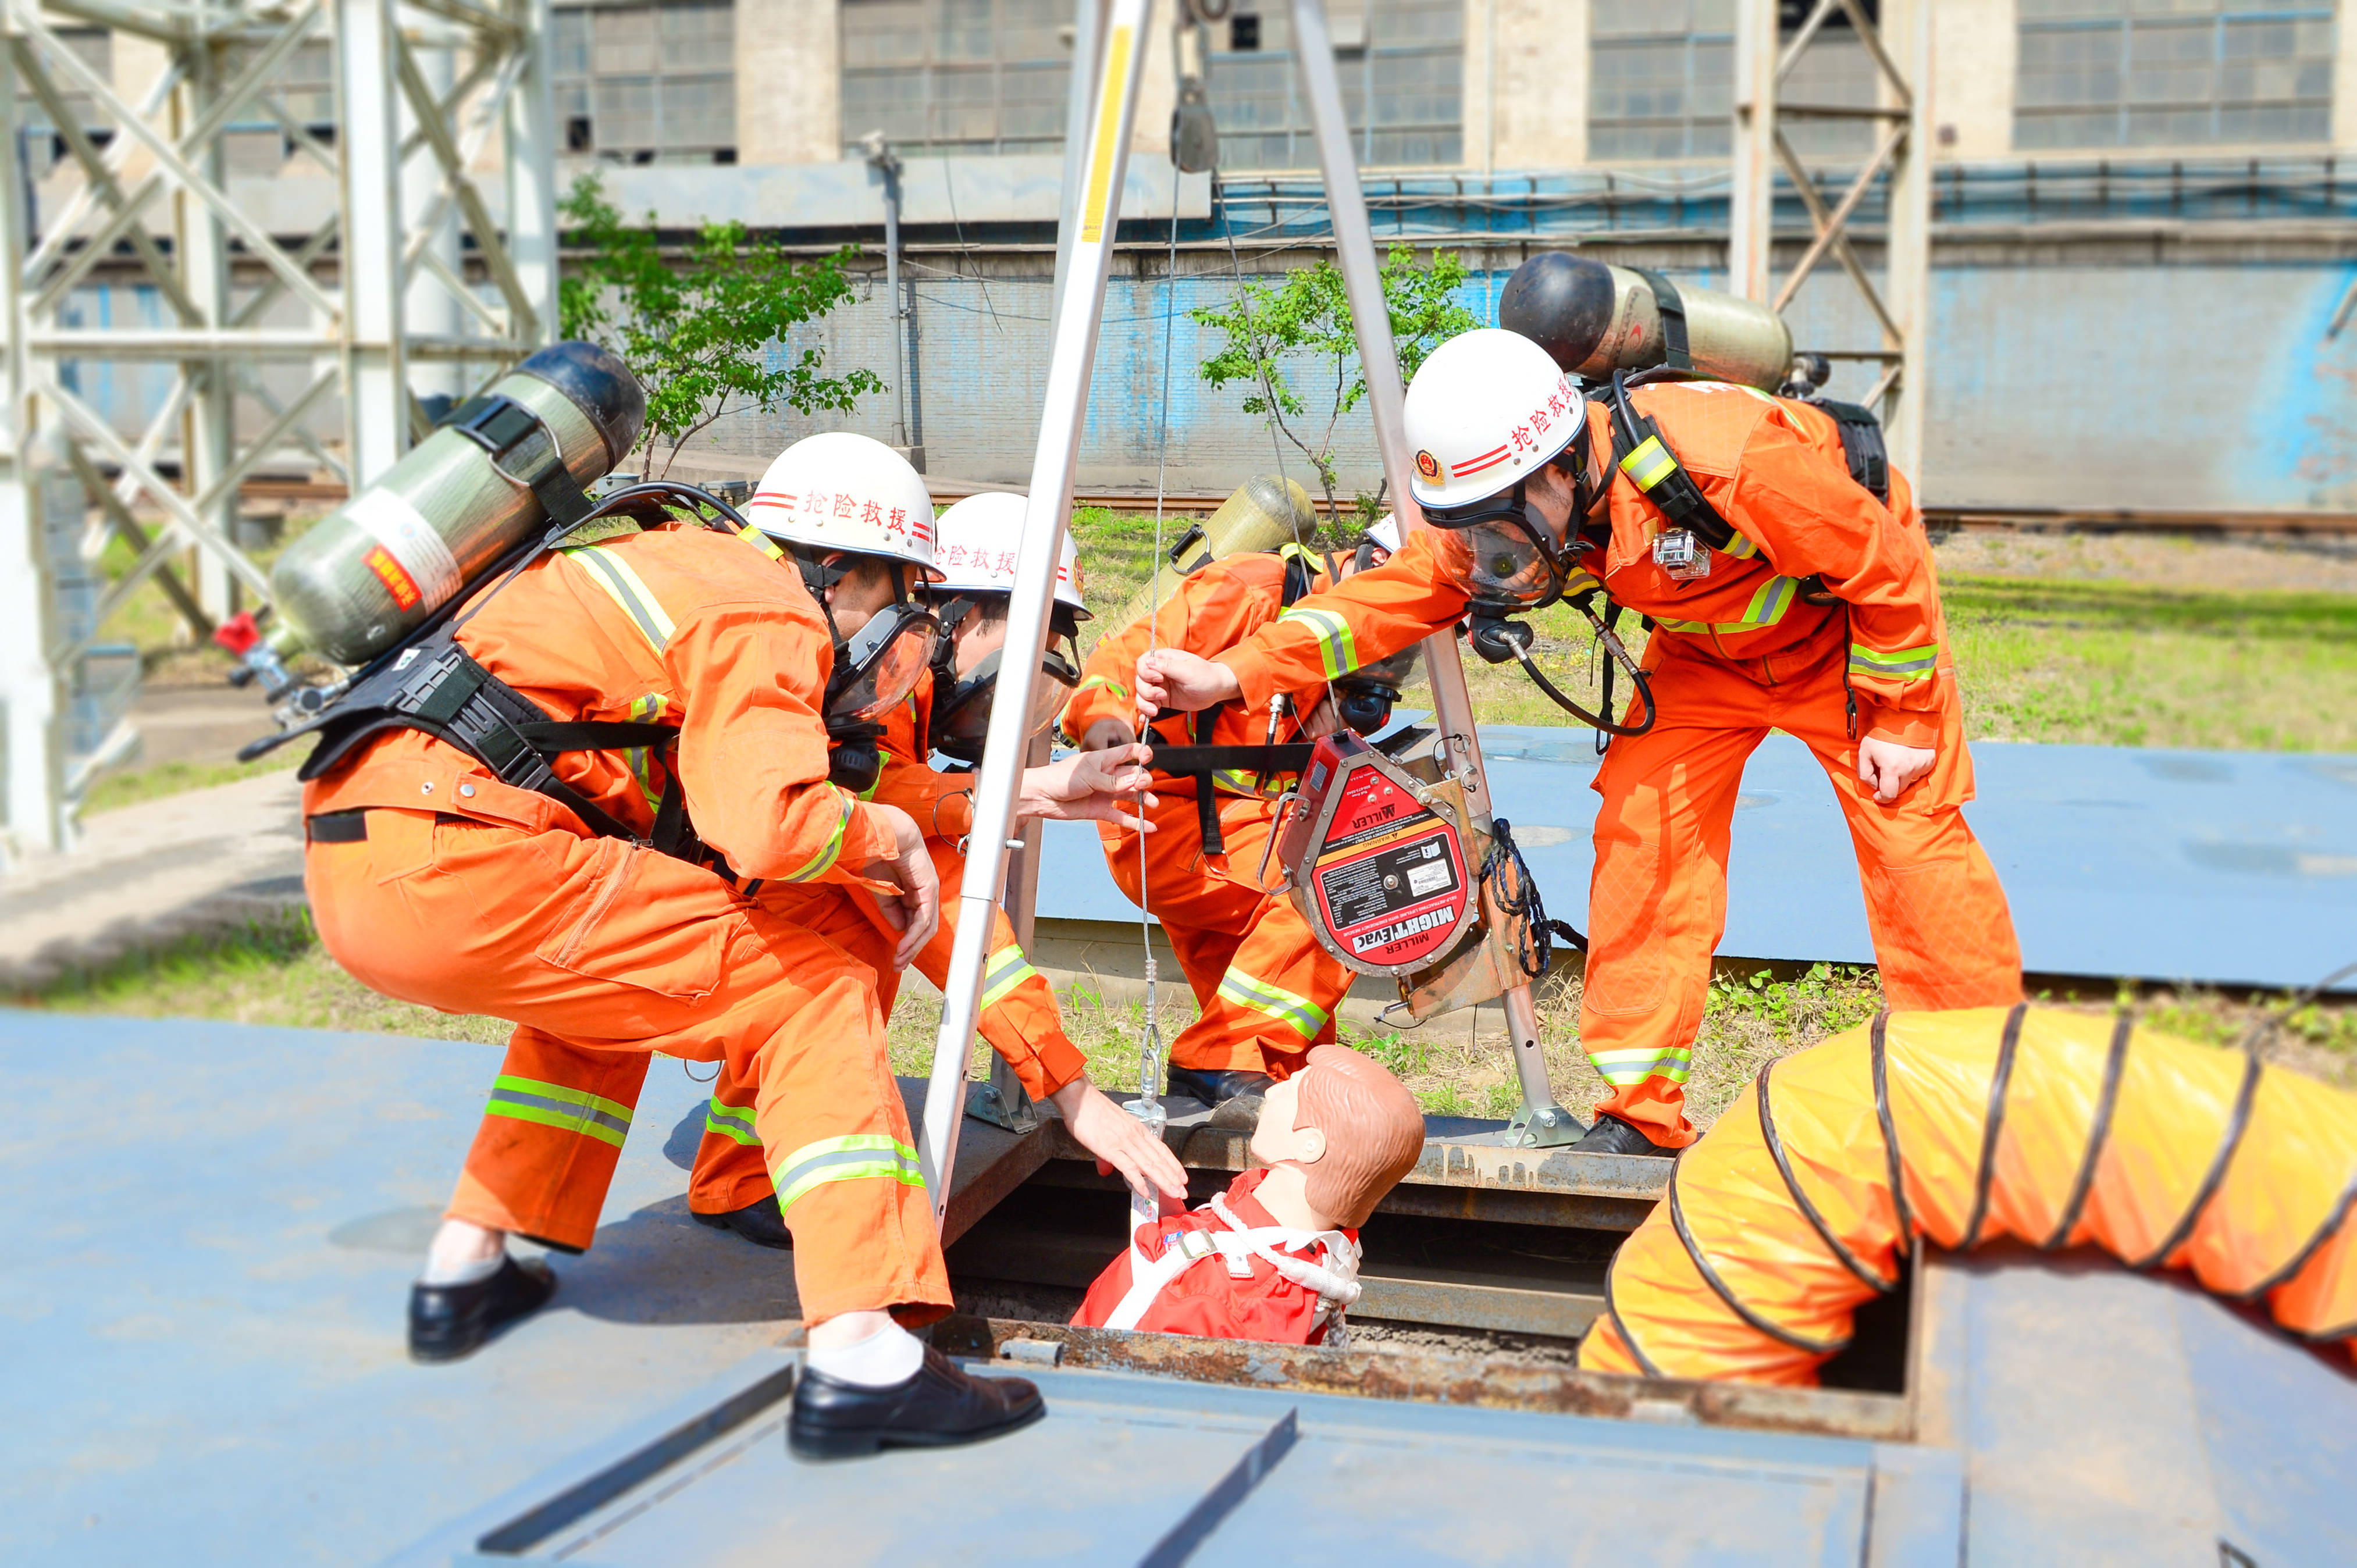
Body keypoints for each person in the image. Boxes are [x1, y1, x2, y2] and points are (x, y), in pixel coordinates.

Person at [303, 429, 1180, 1460]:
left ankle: (472, 1260)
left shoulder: (681, 570)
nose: (893, 634)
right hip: (468, 855)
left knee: (616, 990)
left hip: (373, 857)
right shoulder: (768, 606)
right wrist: (885, 837)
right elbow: (776, 825)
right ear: (843, 570)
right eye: (898, 595)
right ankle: (862, 1351)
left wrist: (1013, 794)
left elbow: (798, 792)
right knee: (811, 990)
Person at [1131, 327, 2023, 1157]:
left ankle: (1977, 1100)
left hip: (1845, 642)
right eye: (1468, 529)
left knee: (1914, 847)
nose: (1485, 553)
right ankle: (1642, 1112)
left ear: (1563, 468)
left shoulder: (1727, 461)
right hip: (1705, 657)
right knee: (1644, 838)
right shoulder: (1504, 503)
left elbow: (1888, 563)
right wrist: (1233, 671)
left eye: (1495, 526)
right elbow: (1383, 602)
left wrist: (1904, 716)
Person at [683, 484, 1187, 1243]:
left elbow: (906, 810)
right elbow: (890, 813)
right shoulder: (881, 680)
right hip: (699, 882)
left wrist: (1016, 794)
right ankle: (753, 1177)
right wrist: (1072, 1091)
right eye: (1020, 653)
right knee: (846, 947)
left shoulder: (904, 683)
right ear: (954, 612)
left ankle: (746, 1167)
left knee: (865, 932)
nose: (1018, 695)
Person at [1061, 522, 1412, 1122]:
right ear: (1369, 565)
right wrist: (1103, 723)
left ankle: (1261, 1098)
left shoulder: (1372, 638)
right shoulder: (1252, 592)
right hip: (1170, 824)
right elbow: (1122, 656)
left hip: (1244, 834)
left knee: (1283, 1036)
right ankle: (1216, 1057)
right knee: (1348, 880)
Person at [1071, 1043, 1426, 1343]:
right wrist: (1174, 1226)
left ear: (1309, 1145)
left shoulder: (1221, 1306)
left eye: (1291, 1089)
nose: (1271, 1090)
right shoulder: (1312, 1253)